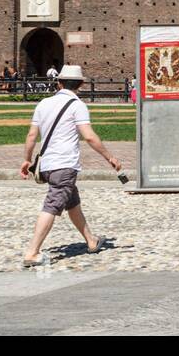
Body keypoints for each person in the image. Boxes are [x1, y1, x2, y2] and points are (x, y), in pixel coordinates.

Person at [19, 64, 121, 267]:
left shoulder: (43, 103)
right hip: (64, 164)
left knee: (71, 201)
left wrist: (27, 159)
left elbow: (32, 135)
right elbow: (89, 137)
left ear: (59, 83)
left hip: (47, 164)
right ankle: (32, 252)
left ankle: (91, 241)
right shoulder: (77, 105)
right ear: (81, 84)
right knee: (52, 205)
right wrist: (110, 157)